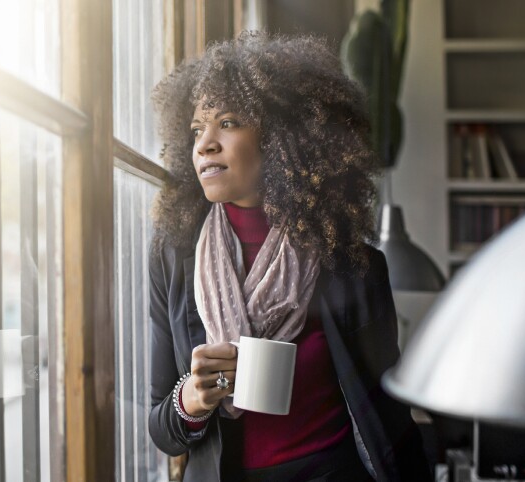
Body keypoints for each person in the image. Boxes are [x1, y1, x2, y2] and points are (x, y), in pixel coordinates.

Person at [147, 32, 431, 481]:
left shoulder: (349, 263)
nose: (205, 144)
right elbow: (162, 427)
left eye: (229, 122)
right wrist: (194, 399)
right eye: (197, 129)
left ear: (279, 138)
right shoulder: (173, 255)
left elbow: (388, 415)